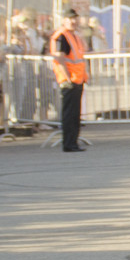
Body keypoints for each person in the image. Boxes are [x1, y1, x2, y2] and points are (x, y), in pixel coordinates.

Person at [50, 8, 89, 153]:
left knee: (74, 114)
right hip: (69, 80)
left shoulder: (74, 35)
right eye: (70, 19)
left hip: (77, 79)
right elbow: (60, 58)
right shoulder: (62, 36)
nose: (74, 21)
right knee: (69, 114)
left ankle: (73, 142)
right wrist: (67, 78)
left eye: (75, 18)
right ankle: (69, 143)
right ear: (64, 20)